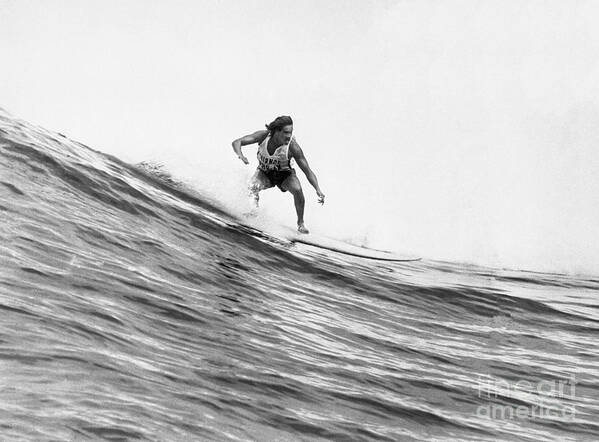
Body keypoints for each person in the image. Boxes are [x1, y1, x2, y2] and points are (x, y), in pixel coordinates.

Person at [231, 116, 324, 234]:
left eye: (291, 132)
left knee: (298, 190)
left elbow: (307, 171)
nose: (289, 136)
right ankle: (254, 212)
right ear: (277, 131)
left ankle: (301, 224)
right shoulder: (263, 136)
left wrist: (317, 189)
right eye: (286, 132)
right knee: (252, 186)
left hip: (285, 175)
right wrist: (241, 155)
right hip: (264, 173)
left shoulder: (293, 147)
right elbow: (237, 142)